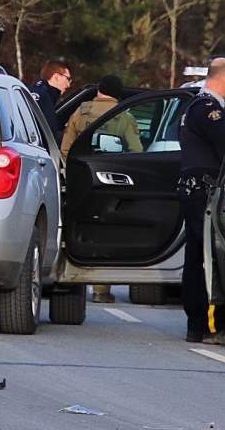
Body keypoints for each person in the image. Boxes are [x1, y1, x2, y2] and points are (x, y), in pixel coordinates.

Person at [59, 74, 140, 304]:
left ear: (98, 91)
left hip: (79, 180)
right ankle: (101, 290)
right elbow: (136, 152)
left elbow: (65, 149)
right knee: (105, 231)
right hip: (109, 183)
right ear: (117, 95)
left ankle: (70, 279)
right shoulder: (125, 116)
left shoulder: (80, 111)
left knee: (75, 227)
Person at [178, 58, 225, 342]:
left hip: (193, 190)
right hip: (204, 192)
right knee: (209, 258)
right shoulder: (209, 110)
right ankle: (211, 325)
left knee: (195, 257)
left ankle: (196, 324)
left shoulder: (193, 106)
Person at [29, 60, 72, 143]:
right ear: (56, 76)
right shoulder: (40, 95)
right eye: (68, 79)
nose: (68, 85)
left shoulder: (45, 94)